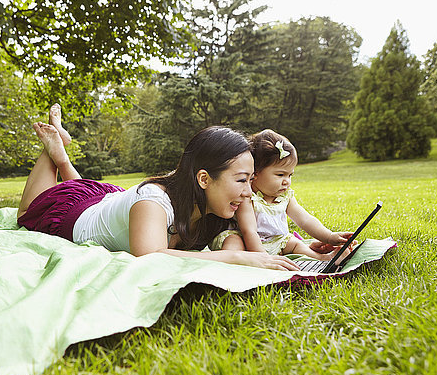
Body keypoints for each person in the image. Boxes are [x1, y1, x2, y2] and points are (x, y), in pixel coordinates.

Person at [17, 104, 300, 270]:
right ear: (203, 179)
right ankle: (54, 149)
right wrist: (239, 259)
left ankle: (63, 158)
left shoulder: (214, 206)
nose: (249, 192)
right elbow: (149, 254)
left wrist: (308, 250)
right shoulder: (153, 201)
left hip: (109, 203)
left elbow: (261, 236)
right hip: (74, 216)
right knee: (27, 213)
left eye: (251, 180)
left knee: (89, 194)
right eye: (241, 180)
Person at [212, 129, 354, 260]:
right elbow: (249, 231)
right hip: (247, 241)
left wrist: (329, 237)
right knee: (234, 242)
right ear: (255, 172)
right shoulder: (248, 198)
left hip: (275, 242)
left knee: (293, 242)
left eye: (290, 175)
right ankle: (228, 263)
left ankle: (323, 259)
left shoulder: (285, 198)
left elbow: (305, 220)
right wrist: (263, 259)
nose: (286, 181)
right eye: (280, 174)